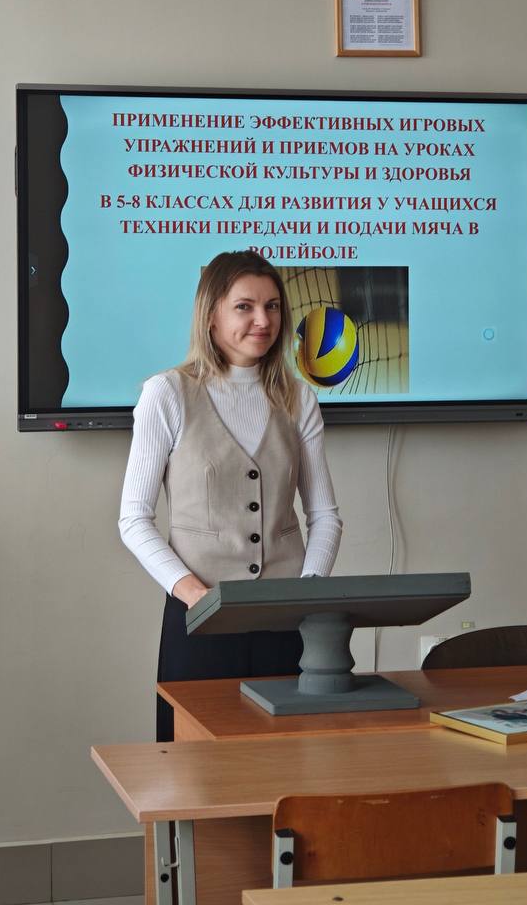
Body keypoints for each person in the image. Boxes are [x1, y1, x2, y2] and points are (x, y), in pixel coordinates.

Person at [119, 250, 343, 739]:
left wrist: (305, 593)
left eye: (273, 306)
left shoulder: (300, 398)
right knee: (196, 765)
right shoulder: (167, 393)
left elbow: (325, 515)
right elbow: (133, 519)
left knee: (287, 761)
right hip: (198, 622)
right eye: (245, 306)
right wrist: (193, 594)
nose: (263, 320)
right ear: (211, 315)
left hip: (285, 625)